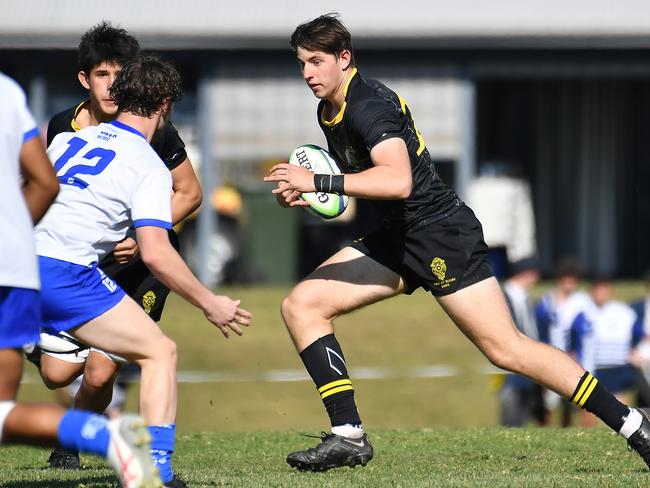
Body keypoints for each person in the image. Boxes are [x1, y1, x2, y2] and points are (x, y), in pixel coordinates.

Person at [264, 13, 650, 472]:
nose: (307, 73)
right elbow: (357, 182)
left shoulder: (370, 105)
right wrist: (310, 193)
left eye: (316, 62)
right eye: (302, 63)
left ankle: (633, 425)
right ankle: (348, 435)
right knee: (302, 305)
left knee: (506, 348)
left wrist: (319, 179)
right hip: (398, 237)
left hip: (441, 234)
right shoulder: (329, 106)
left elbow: (397, 180)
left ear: (344, 58)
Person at [35, 55, 252, 487]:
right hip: (65, 274)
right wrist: (210, 302)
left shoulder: (67, 141)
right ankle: (156, 471)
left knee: (59, 373)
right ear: (165, 105)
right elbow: (155, 252)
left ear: (119, 96)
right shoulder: (149, 166)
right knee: (159, 353)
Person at [0, 71, 160, 488]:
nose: (110, 86)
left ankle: (106, 436)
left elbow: (189, 194)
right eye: (102, 74)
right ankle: (109, 436)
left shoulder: (158, 145)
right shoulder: (20, 99)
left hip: (74, 268)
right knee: (41, 384)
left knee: (124, 363)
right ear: (83, 78)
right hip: (34, 268)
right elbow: (41, 182)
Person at [571, 276, 643, 426]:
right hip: (593, 370)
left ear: (610, 290)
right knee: (589, 411)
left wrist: (634, 351)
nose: (600, 292)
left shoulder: (624, 313)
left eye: (603, 288)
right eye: (597, 288)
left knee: (621, 413)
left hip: (617, 369)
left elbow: (637, 334)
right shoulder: (583, 314)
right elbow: (574, 340)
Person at [536, 257, 590, 426]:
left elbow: (586, 330)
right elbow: (541, 328)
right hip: (550, 354)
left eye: (572, 280)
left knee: (572, 397)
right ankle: (545, 429)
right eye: (565, 280)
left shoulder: (582, 301)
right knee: (549, 399)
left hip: (575, 356)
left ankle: (568, 429)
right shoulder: (548, 300)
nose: (568, 284)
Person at [499, 258, 545, 427]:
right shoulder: (503, 295)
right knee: (511, 410)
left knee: (526, 413)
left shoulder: (526, 299)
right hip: (509, 365)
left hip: (529, 361)